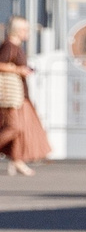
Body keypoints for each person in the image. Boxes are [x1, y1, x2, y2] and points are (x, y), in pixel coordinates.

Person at [0, 17, 48, 174]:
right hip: (10, 96)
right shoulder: (9, 46)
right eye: (25, 29)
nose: (28, 33)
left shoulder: (16, 47)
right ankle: (17, 160)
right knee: (14, 127)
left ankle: (17, 160)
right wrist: (18, 70)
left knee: (21, 130)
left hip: (19, 95)